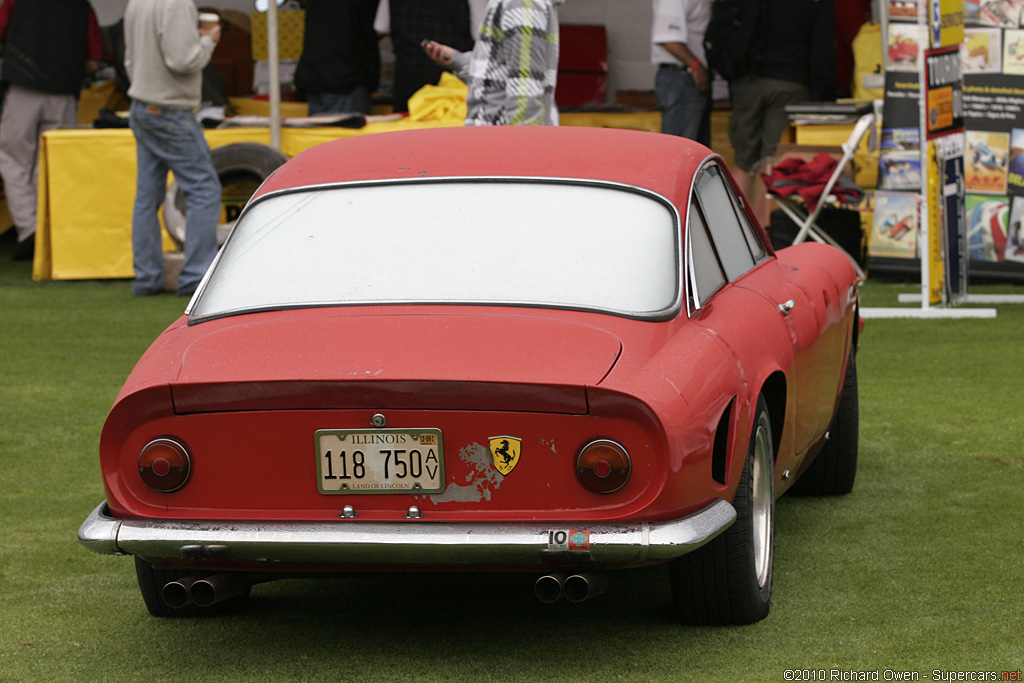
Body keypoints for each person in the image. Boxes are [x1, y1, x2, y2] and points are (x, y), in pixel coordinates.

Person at [123, 0, 221, 297]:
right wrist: (208, 40)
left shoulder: (137, 3)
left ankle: (147, 277)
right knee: (204, 190)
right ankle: (195, 277)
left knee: (147, 197)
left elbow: (129, 59)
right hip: (170, 110)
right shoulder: (177, 3)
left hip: (142, 106)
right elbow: (183, 60)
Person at [0, 0, 103, 261]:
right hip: (64, 91)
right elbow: (94, 60)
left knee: (12, 159)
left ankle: (29, 229)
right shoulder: (82, 6)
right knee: (55, 164)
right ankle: (51, 234)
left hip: (23, 88)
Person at [727, 0, 835, 212]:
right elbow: (823, 50)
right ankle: (762, 236)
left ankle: (728, 232)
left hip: (748, 81)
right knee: (772, 163)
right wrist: (825, 98)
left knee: (743, 162)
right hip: (790, 83)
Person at [422, 0, 563, 126]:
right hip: (498, 138)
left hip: (498, 140)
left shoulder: (520, 4)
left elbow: (525, 88)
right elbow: (504, 76)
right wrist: (459, 61)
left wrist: (522, 148)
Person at [374, 0, 485, 113]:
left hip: (411, 75)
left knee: (407, 128)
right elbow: (481, 33)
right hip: (452, 80)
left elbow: (381, 28)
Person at [295, 0, 380, 116]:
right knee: (349, 131)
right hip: (345, 77)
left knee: (320, 131)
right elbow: (375, 28)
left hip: (315, 73)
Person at [651, 0, 712, 146]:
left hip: (688, 77)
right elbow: (668, 38)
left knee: (696, 154)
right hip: (683, 77)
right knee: (680, 151)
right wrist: (696, 66)